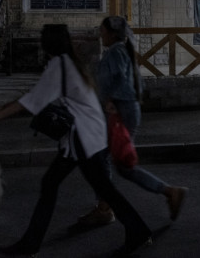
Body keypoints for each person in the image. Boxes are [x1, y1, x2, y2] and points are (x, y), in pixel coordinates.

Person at [0, 24, 152, 257]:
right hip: (84, 136)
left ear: (47, 43)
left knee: (100, 189)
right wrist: (1, 110)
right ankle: (30, 244)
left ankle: (138, 231)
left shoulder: (59, 66)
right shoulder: (67, 63)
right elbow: (35, 95)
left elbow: (31, 102)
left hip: (85, 138)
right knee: (56, 184)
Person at [77, 16, 187, 227]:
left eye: (103, 31)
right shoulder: (120, 50)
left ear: (112, 34)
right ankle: (105, 206)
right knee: (104, 159)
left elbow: (121, 80)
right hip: (124, 109)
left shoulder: (116, 52)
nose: (100, 35)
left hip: (121, 111)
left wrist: (111, 101)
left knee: (116, 163)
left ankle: (168, 192)